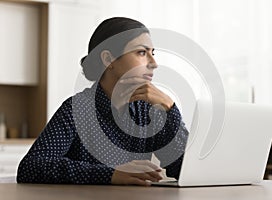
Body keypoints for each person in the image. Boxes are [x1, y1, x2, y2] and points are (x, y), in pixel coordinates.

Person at [17, 17, 189, 186]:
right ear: (108, 59)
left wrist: (170, 108)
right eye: (142, 52)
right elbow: (31, 167)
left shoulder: (150, 112)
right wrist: (110, 174)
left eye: (153, 53)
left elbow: (184, 168)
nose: (154, 63)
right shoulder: (76, 109)